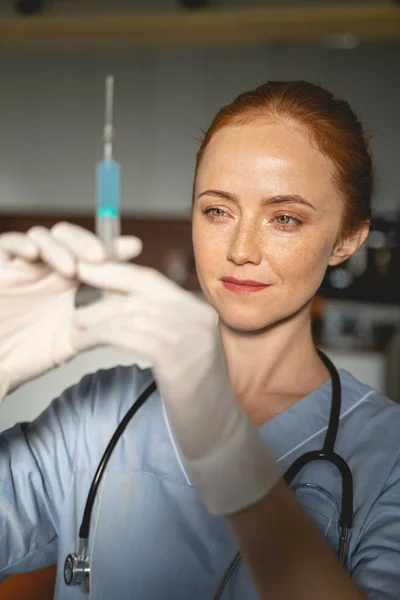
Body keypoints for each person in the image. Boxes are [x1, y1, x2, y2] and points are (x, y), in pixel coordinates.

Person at [0, 80, 399, 600]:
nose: (240, 249)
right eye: (217, 210)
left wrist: (232, 461)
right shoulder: (98, 412)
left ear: (346, 240)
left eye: (284, 218)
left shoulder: (387, 453)